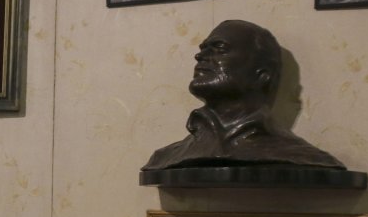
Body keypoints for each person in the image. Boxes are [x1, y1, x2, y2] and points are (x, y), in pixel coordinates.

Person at [143, 20, 347, 171]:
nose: (199, 56)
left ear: (262, 75)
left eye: (219, 48)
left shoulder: (301, 156)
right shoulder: (168, 156)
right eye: (203, 48)